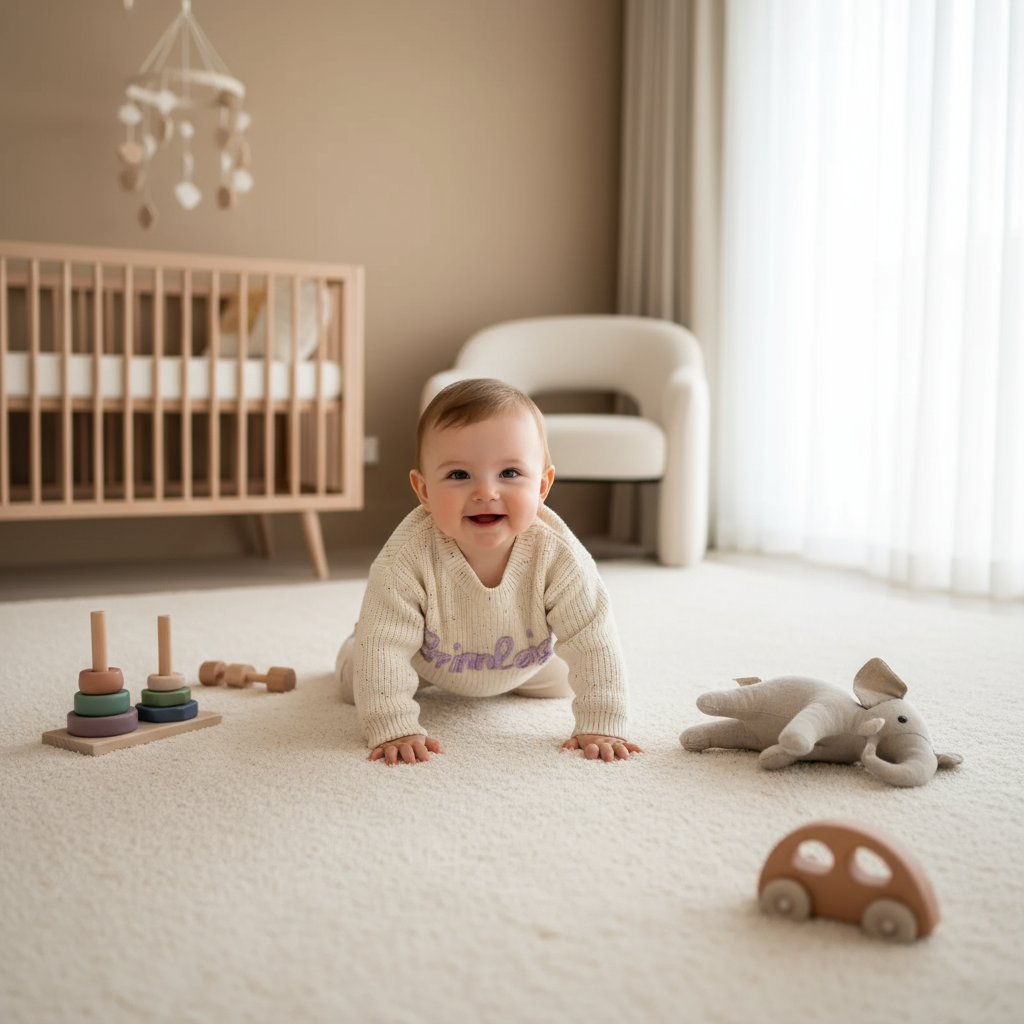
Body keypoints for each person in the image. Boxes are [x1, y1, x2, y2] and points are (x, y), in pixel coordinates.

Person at [337, 377, 642, 766]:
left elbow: (592, 637)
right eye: (460, 475)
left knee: (575, 677)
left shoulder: (559, 555)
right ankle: (354, 640)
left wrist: (602, 723)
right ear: (424, 490)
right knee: (361, 677)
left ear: (543, 485)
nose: (486, 492)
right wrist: (394, 726)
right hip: (428, 660)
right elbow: (384, 648)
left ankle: (517, 681)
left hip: (523, 661)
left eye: (510, 473)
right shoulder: (406, 559)